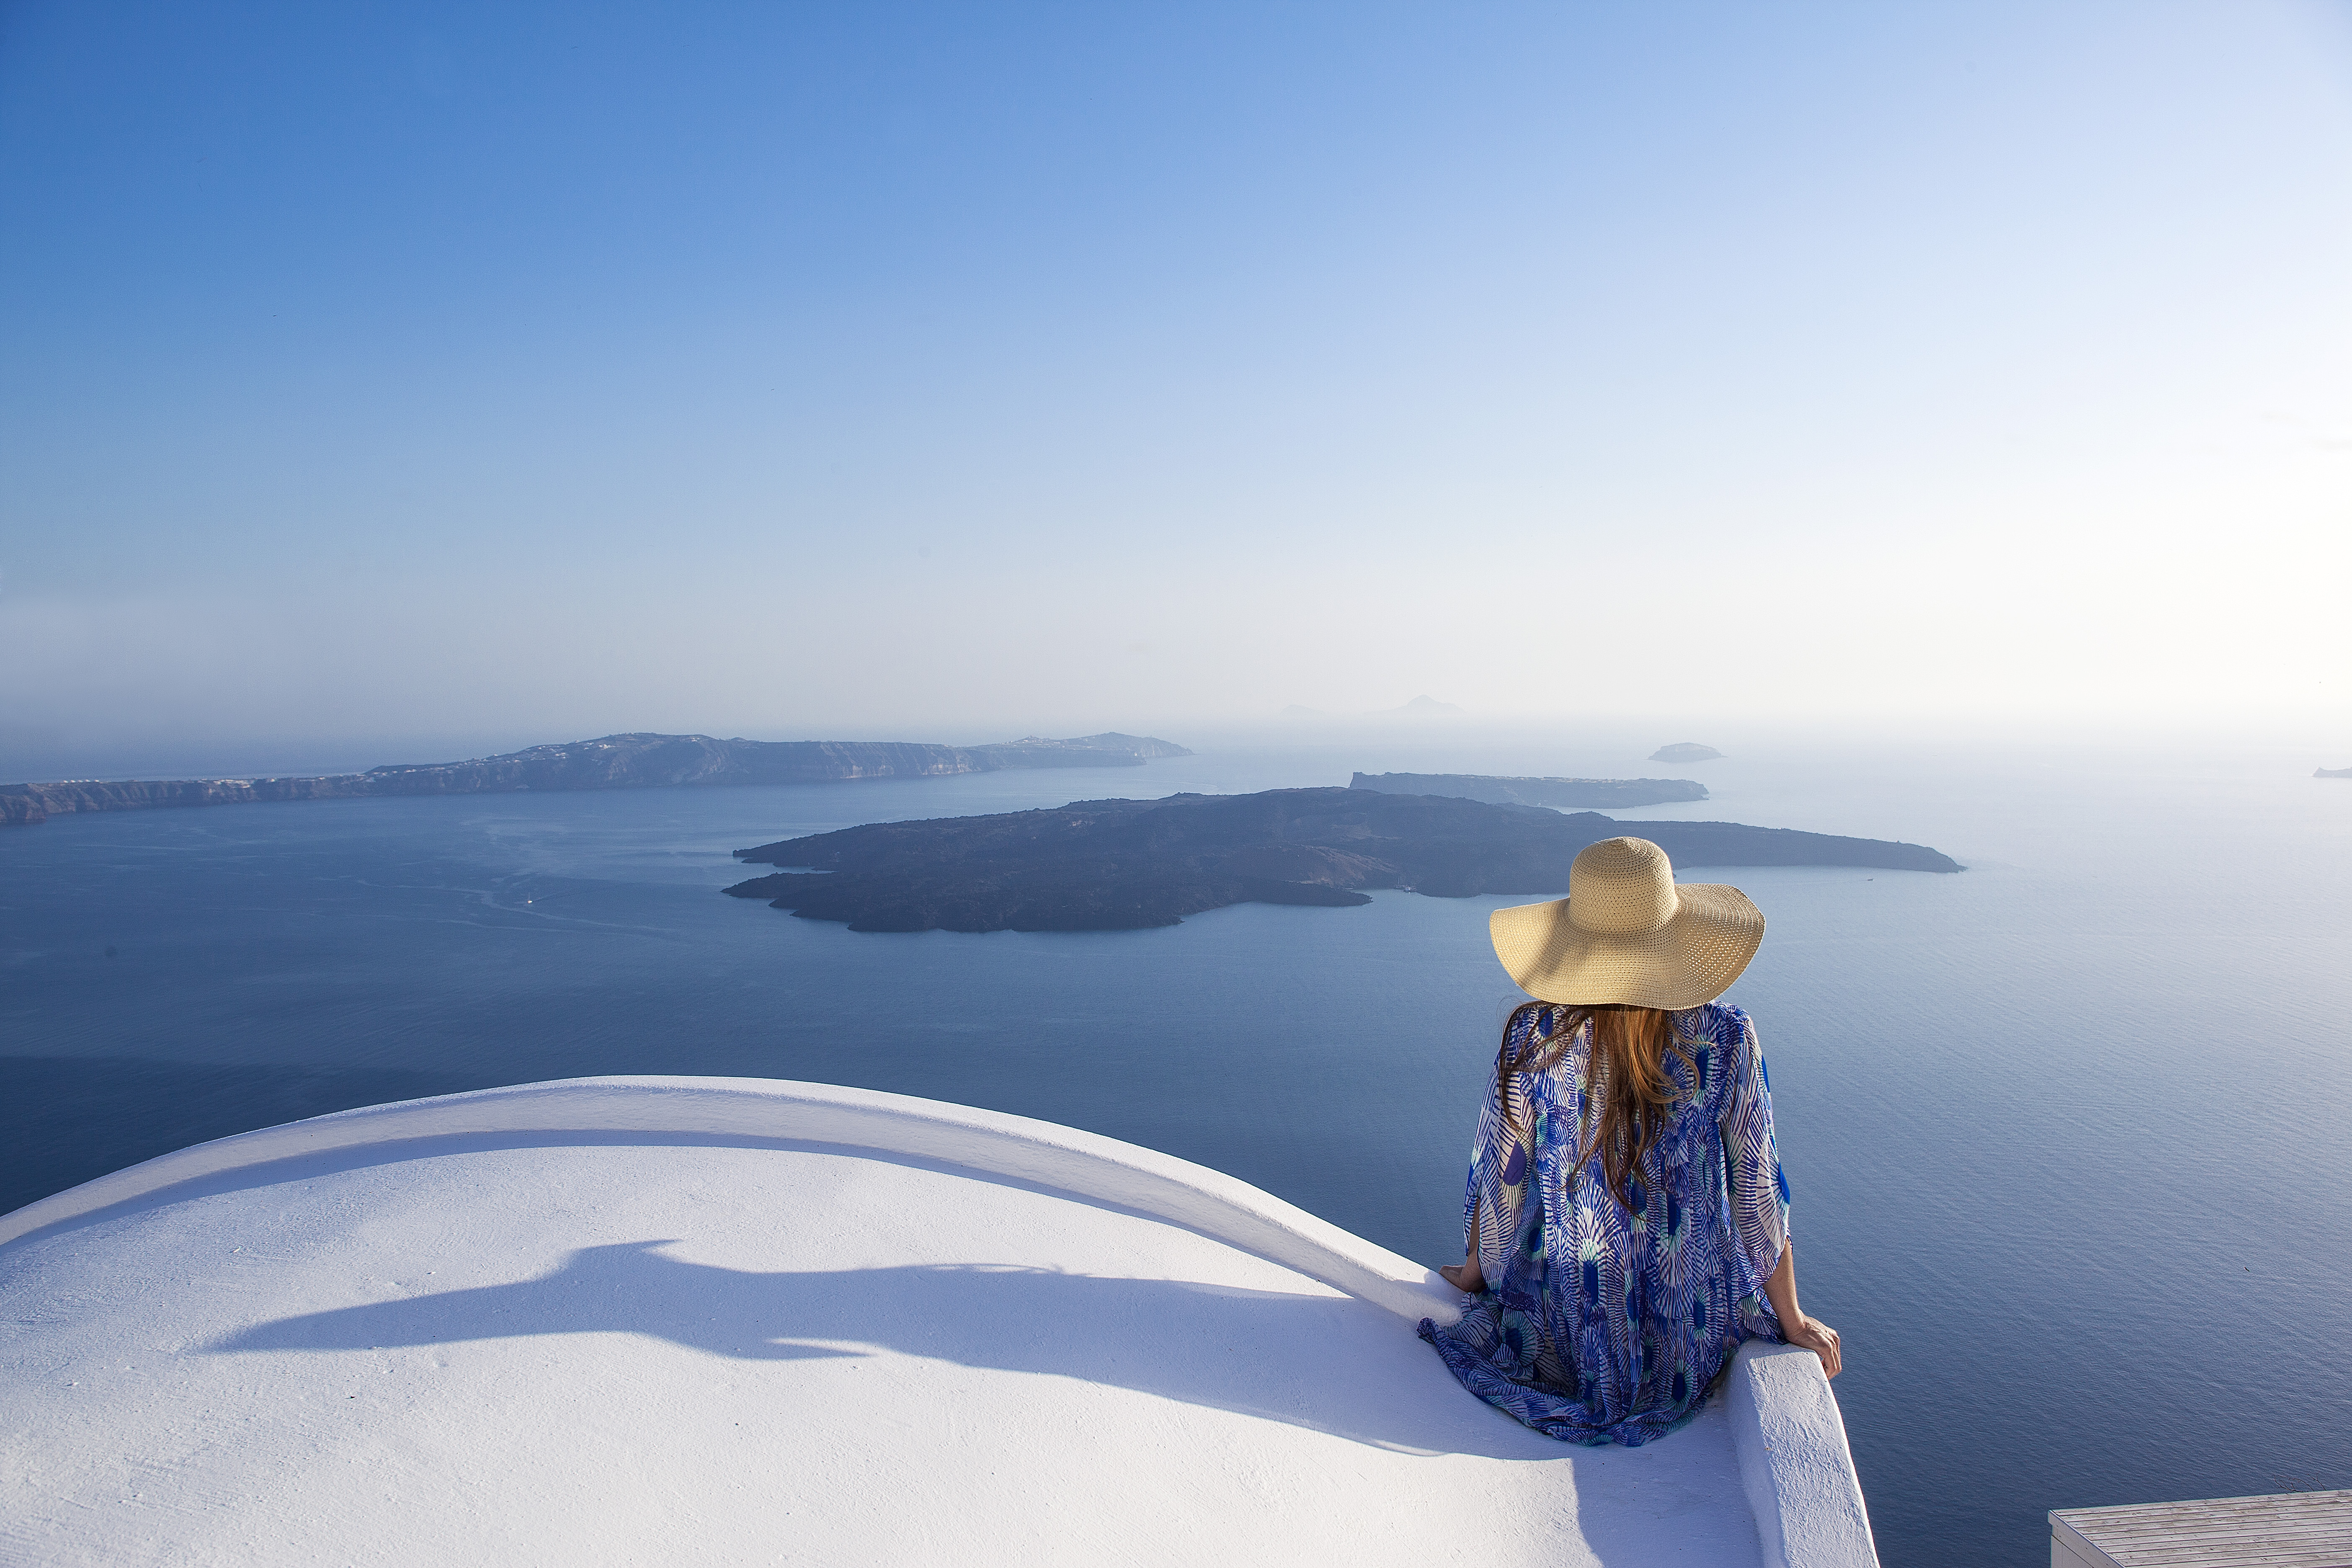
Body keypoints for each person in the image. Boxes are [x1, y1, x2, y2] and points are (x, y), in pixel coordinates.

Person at [1419, 836, 1841, 1447]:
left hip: (1564, 1322)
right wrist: (1792, 1318)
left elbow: (1503, 1177)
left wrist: (1476, 1268)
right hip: (1684, 1335)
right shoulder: (1724, 1039)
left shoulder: (1535, 1037)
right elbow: (1756, 1194)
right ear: (1674, 934)